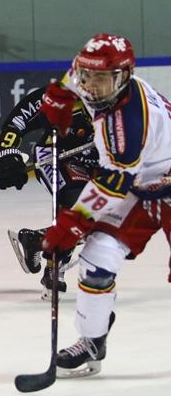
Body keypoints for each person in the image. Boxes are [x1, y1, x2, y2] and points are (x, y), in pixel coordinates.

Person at [38, 33, 171, 377]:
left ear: (124, 76)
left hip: (157, 178)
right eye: (88, 76)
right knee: (98, 257)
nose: (92, 86)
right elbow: (77, 73)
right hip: (142, 179)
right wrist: (61, 94)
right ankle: (92, 340)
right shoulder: (99, 78)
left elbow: (113, 183)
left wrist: (72, 223)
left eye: (101, 78)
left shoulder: (128, 122)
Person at [0, 83, 98, 298]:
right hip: (57, 157)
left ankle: (36, 241)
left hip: (99, 165)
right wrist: (7, 151)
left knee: (102, 221)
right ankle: (54, 269)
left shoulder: (130, 103)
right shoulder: (66, 96)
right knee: (78, 205)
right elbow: (18, 120)